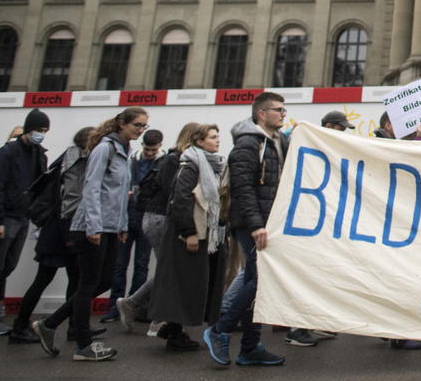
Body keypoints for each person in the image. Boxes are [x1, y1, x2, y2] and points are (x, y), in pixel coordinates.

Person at [33, 106, 148, 362]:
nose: (140, 130)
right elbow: (92, 189)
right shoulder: (104, 149)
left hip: (108, 227)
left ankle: (50, 324)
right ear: (122, 123)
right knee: (88, 284)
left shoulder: (125, 150)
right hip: (90, 227)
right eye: (137, 125)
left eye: (144, 126)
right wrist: (94, 226)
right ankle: (83, 346)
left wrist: (121, 226)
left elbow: (118, 195)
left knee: (103, 281)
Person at [203, 92, 292, 366]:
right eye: (278, 110)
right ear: (261, 114)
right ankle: (219, 330)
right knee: (260, 281)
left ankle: (250, 347)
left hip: (268, 223)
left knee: (258, 282)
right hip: (253, 224)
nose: (284, 114)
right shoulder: (248, 144)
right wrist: (256, 225)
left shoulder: (278, 141)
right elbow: (242, 188)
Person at [150, 124, 228, 352]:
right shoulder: (190, 165)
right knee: (180, 283)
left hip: (203, 234)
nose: (217, 140)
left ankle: (172, 329)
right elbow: (180, 199)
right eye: (213, 137)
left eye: (218, 136)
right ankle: (174, 333)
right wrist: (189, 232)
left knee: (188, 283)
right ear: (199, 142)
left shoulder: (211, 165)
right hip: (186, 236)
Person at [8, 126, 88, 345]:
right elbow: (66, 202)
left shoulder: (68, 158)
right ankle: (21, 327)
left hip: (57, 233)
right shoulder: (73, 163)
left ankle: (74, 327)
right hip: (61, 234)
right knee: (53, 281)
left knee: (70, 281)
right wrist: (70, 236)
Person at [118, 122, 198, 337]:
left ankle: (134, 304)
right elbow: (173, 192)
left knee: (167, 270)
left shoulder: (179, 159)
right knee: (167, 271)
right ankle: (156, 318)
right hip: (159, 218)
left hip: (161, 218)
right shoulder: (174, 159)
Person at [0, 108, 49, 336]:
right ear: (28, 129)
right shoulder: (7, 153)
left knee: (7, 267)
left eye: (44, 130)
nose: (41, 134)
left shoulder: (38, 155)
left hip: (23, 217)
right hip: (5, 218)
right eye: (38, 130)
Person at [100, 129, 162, 323]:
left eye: (153, 149)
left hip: (146, 220)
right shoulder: (131, 159)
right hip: (126, 219)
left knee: (141, 266)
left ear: (160, 146)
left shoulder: (163, 163)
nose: (149, 152)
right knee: (119, 265)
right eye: (147, 148)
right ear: (142, 144)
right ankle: (113, 306)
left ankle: (132, 306)